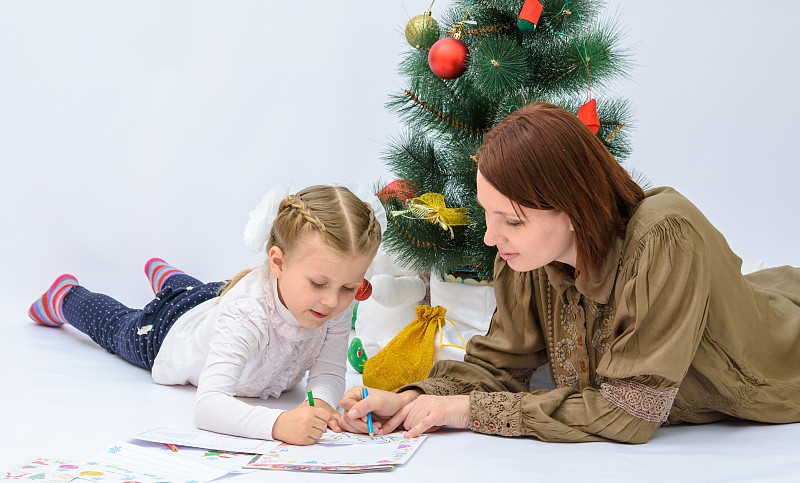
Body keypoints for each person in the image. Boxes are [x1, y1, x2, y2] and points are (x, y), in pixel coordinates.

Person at [337, 102, 800, 444]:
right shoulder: (528, 256)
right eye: (488, 215)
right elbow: (498, 367)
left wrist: (471, 410)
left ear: (574, 209)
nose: (489, 237)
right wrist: (413, 399)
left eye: (512, 220)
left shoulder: (666, 235)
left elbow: (630, 413)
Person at [28, 184, 385, 445]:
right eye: (319, 283)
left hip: (213, 298)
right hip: (169, 333)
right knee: (119, 328)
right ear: (277, 263)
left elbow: (329, 370)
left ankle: (169, 277)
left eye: (348, 288)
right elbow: (209, 406)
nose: (332, 303)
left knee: (199, 293)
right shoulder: (246, 313)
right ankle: (67, 296)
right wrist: (280, 424)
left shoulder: (334, 298)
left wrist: (319, 408)